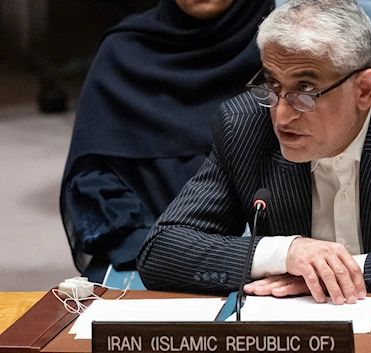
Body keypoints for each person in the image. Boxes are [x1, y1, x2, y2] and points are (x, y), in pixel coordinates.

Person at [137, 0, 371, 304]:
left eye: (305, 90)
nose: (281, 114)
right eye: (271, 84)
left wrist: (341, 269)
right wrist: (288, 253)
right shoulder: (244, 125)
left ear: (364, 90)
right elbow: (161, 252)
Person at [60, 0, 274, 281]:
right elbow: (92, 178)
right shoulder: (125, 51)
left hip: (276, 257)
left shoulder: (285, 50)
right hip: (147, 256)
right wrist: (156, 248)